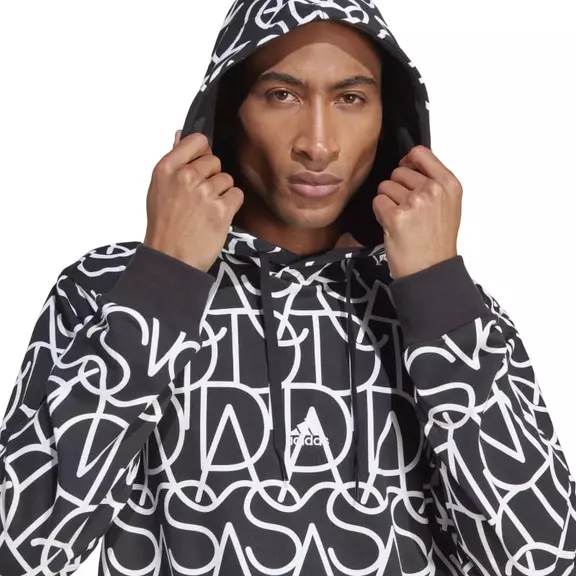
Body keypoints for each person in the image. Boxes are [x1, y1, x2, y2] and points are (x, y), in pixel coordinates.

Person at [1, 1, 574, 574]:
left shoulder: (450, 308)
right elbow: (21, 550)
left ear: (388, 118)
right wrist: (165, 279)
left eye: (350, 99)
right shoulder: (109, 287)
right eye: (282, 95)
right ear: (226, 111)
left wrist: (437, 293)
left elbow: (542, 560)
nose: (318, 145)